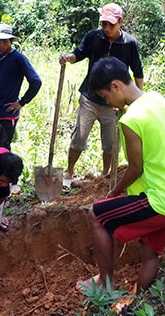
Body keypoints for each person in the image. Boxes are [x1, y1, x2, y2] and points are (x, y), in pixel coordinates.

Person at [77, 56, 165, 294]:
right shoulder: (155, 98)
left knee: (96, 215)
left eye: (106, 96)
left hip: (161, 200)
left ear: (115, 86)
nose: (108, 103)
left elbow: (135, 168)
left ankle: (105, 281)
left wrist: (116, 191)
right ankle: (139, 304)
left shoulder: (131, 120)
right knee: (149, 252)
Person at [59, 3, 143, 182]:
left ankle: (105, 175)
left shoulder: (129, 43)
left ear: (121, 22)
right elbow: (79, 54)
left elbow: (138, 71)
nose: (106, 28)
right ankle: (69, 172)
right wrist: (68, 58)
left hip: (113, 104)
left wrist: (138, 102)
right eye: (103, 23)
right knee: (79, 138)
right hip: (90, 98)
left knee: (110, 144)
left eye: (111, 24)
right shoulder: (93, 37)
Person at [0, 24, 42, 150]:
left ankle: (7, 170)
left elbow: (36, 82)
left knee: (3, 149)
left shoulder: (19, 59)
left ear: (11, 41)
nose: (1, 45)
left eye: (4, 42)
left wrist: (21, 102)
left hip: (8, 113)